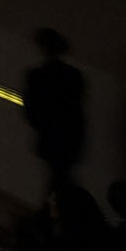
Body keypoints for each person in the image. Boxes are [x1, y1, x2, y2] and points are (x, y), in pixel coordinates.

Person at [21, 28, 87, 192]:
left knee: (57, 181)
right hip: (71, 138)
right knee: (62, 179)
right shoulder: (74, 75)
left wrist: (42, 125)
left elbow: (30, 111)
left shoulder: (36, 76)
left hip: (50, 137)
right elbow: (77, 109)